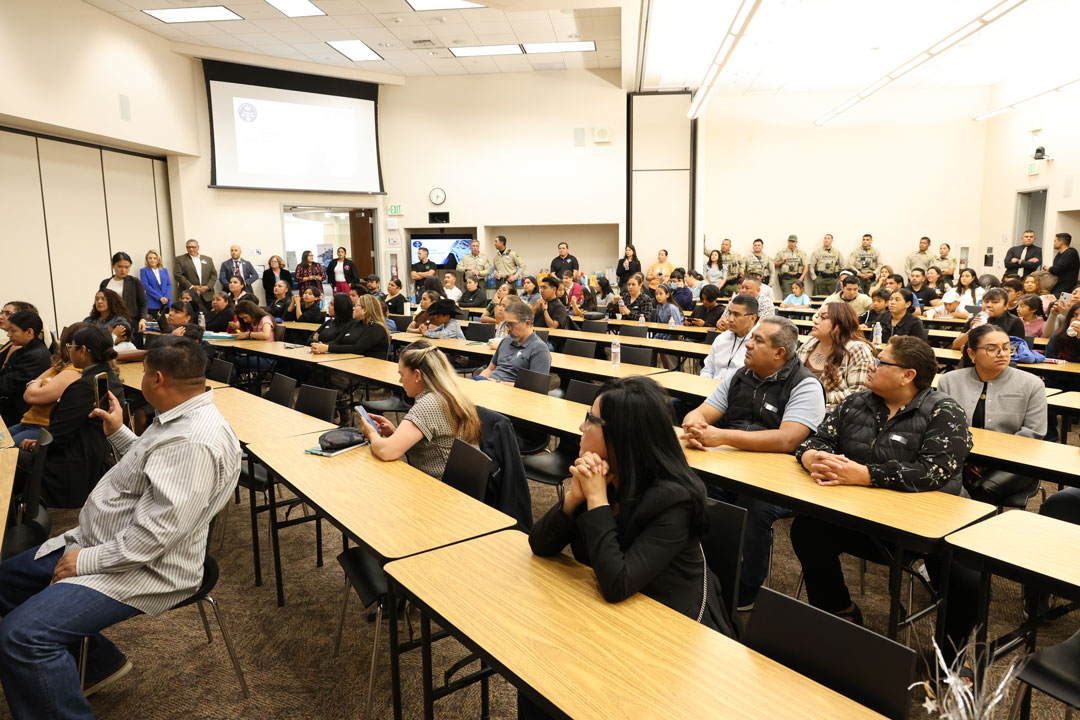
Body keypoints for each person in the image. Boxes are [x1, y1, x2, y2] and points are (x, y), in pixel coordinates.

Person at [0, 336, 239, 719]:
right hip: (109, 543)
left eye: (142, 375)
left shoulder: (193, 441)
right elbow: (152, 468)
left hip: (146, 568)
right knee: (6, 580)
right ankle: (97, 665)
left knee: (22, 637)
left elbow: (155, 537)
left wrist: (85, 561)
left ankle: (63, 670)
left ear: (157, 379)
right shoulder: (180, 416)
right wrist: (119, 432)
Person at [526, 376, 736, 675]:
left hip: (675, 634)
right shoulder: (607, 475)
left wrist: (596, 499)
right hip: (615, 617)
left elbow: (617, 583)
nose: (581, 428)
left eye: (590, 420)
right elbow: (540, 545)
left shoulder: (674, 499)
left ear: (622, 434)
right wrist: (574, 498)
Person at [790, 335, 977, 660]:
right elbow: (815, 440)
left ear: (907, 375)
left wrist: (867, 475)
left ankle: (953, 658)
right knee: (808, 529)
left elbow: (934, 472)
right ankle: (840, 610)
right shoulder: (857, 402)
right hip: (866, 515)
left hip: (929, 524)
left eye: (881, 362)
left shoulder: (945, 411)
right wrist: (811, 458)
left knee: (968, 579)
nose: (871, 366)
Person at [682, 317, 825, 610]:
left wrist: (721, 436)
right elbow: (701, 412)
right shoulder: (741, 376)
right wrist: (693, 424)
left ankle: (744, 589)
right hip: (732, 467)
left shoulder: (806, 385)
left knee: (754, 510)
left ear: (779, 353)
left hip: (780, 480)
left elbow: (788, 440)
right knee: (691, 489)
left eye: (758, 340)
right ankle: (699, 572)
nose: (747, 343)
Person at [14, 324, 126, 508]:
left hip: (68, 468)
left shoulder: (84, 386)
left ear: (82, 351)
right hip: (90, 460)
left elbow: (59, 436)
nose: (69, 352)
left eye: (70, 347)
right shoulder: (109, 378)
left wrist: (39, 445)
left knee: (10, 459)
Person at [939, 324, 1046, 503]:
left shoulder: (1032, 384)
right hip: (961, 456)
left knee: (980, 491)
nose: (1002, 354)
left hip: (1014, 460)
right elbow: (943, 426)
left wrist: (989, 457)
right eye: (992, 349)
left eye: (1006, 348)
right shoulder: (950, 381)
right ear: (972, 354)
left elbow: (1033, 433)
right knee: (940, 483)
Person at [361, 340, 481, 480]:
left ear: (417, 375)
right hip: (455, 481)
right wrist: (394, 433)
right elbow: (430, 441)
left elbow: (386, 451)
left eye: (402, 375)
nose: (400, 381)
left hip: (439, 488)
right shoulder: (446, 394)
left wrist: (371, 434)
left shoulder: (430, 404)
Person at [7, 323, 85, 445]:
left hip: (42, 427)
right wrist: (38, 385)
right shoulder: (62, 363)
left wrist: (38, 385)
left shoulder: (75, 371)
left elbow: (30, 396)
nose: (8, 335)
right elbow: (32, 387)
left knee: (4, 452)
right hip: (28, 422)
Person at [797, 302, 875, 411]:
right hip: (799, 407)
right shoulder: (810, 343)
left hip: (834, 415)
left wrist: (817, 397)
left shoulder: (857, 350)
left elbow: (858, 393)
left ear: (840, 324)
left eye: (823, 318)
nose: (815, 321)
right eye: (817, 316)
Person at [0, 311, 54, 427]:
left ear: (29, 332)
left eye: (13, 331)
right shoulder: (23, 351)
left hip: (22, 416)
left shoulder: (36, 356)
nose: (9, 335)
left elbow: (7, 385)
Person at [475, 300, 550, 383]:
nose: (507, 329)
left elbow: (534, 386)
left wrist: (498, 383)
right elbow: (490, 369)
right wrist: (480, 381)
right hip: (491, 386)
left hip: (511, 392)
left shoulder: (539, 349)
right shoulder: (506, 340)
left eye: (511, 324)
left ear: (527, 323)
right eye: (506, 324)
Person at [312, 295, 391, 357]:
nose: (353, 308)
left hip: (369, 368)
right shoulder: (354, 323)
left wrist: (327, 348)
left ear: (364, 310)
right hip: (351, 363)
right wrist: (321, 346)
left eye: (356, 305)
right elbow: (336, 342)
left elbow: (357, 348)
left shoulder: (376, 328)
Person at [701, 294, 757, 380]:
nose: (730, 319)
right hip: (712, 389)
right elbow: (708, 369)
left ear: (752, 318)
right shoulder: (721, 338)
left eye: (736, 315)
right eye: (730, 313)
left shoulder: (760, 344)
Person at [950, 288, 1023, 350]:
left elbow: (1013, 349)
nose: (988, 305)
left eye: (995, 302)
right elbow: (955, 345)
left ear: (1005, 306)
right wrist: (972, 330)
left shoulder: (1014, 322)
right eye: (986, 302)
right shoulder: (976, 319)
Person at [99, 252, 147, 332]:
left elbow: (143, 303)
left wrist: (143, 319)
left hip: (131, 321)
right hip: (109, 322)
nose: (123, 270)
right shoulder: (105, 283)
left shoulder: (134, 282)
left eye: (127, 267)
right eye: (120, 267)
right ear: (113, 266)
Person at [174, 238, 215, 311]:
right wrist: (191, 287)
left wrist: (208, 286)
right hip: (188, 295)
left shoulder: (208, 259)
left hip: (206, 294)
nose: (191, 249)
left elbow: (213, 275)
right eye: (188, 247)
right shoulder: (180, 259)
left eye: (193, 247)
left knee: (208, 316)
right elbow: (178, 275)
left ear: (198, 247)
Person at [140, 250, 171, 318]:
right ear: (147, 260)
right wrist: (160, 297)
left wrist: (167, 297)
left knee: (167, 325)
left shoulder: (164, 270)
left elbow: (169, 284)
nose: (152, 260)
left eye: (154, 258)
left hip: (166, 302)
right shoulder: (144, 271)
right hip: (153, 302)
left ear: (158, 259)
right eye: (150, 258)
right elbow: (146, 286)